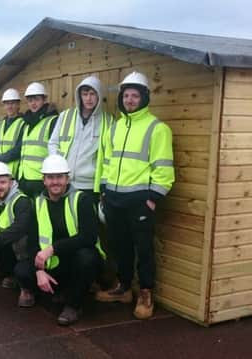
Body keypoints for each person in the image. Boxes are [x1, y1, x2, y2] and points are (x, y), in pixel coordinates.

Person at [95, 72, 175, 320]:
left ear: (144, 98)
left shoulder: (157, 128)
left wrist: (153, 197)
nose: (130, 100)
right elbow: (106, 161)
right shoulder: (116, 126)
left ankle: (146, 293)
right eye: (126, 95)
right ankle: (124, 287)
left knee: (144, 249)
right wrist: (104, 190)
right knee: (121, 247)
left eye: (135, 95)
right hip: (114, 199)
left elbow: (163, 168)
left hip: (140, 201)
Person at [14, 154, 105, 326]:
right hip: (51, 263)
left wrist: (52, 249)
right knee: (21, 271)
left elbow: (89, 237)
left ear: (67, 178)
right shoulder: (38, 202)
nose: (55, 182)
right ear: (44, 180)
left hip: (76, 259)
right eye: (50, 177)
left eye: (59, 177)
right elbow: (33, 240)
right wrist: (38, 270)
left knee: (86, 258)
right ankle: (58, 290)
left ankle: (73, 305)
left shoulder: (81, 200)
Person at [48, 76, 113, 202]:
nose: (88, 98)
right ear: (80, 96)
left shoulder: (109, 121)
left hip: (90, 185)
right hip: (64, 182)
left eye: (92, 94)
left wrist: (104, 186)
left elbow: (109, 156)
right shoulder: (66, 116)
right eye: (85, 94)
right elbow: (53, 143)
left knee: (86, 221)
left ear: (99, 95)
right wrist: (58, 167)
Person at [17, 82, 59, 198]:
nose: (33, 103)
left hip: (40, 180)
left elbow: (55, 151)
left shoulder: (53, 121)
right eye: (30, 100)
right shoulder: (26, 123)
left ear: (44, 100)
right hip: (24, 178)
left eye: (36, 99)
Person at [0, 88, 25, 178]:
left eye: (13, 103)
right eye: (7, 103)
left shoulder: (23, 123)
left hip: (15, 169)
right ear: (4, 105)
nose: (10, 106)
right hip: (0, 170)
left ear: (18, 105)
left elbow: (19, 148)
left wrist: (1, 159)